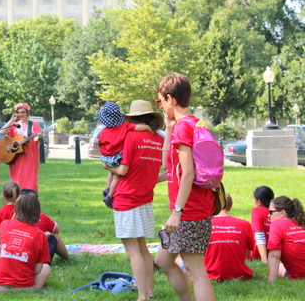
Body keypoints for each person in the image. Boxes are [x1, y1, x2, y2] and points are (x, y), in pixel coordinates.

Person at [153, 73, 216, 301]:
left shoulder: (185, 128)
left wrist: (177, 212)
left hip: (189, 211)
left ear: (171, 98)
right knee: (162, 261)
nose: (160, 106)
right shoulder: (191, 124)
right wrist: (169, 128)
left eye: (160, 101)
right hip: (193, 207)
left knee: (196, 271)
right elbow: (170, 167)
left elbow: (188, 172)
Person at [102, 99, 163, 301]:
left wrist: (107, 167)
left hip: (126, 198)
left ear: (132, 118)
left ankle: (142, 296)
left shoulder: (130, 135)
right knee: (143, 248)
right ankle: (150, 291)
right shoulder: (159, 139)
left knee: (132, 251)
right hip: (146, 197)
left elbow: (123, 169)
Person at [0, 193, 51, 292]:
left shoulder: (4, 224)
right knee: (46, 267)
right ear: (37, 211)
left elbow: (11, 223)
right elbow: (37, 270)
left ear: (16, 209)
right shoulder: (40, 235)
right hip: (25, 288)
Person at [0, 181, 70, 263]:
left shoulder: (6, 225)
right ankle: (68, 259)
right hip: (33, 260)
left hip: (14, 258)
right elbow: (57, 230)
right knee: (53, 236)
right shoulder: (41, 220)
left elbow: (4, 229)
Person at [97, 101, 152, 208]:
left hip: (106, 157)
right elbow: (138, 127)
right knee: (117, 176)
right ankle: (110, 195)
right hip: (117, 156)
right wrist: (148, 128)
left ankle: (107, 187)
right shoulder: (125, 126)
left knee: (110, 174)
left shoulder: (103, 131)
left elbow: (101, 143)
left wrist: (104, 155)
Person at [203, 193, 254, 280]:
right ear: (230, 207)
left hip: (210, 274)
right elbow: (247, 253)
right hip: (240, 274)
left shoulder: (204, 224)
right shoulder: (244, 224)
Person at [0, 102, 42, 193]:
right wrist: (11, 120)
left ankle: (30, 195)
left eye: (23, 112)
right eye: (19, 112)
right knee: (17, 178)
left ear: (27, 112)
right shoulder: (14, 125)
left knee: (30, 177)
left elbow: (36, 139)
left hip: (30, 156)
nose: (21, 114)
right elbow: (1, 132)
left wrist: (39, 136)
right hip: (16, 156)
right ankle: (16, 193)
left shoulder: (34, 125)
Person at [267, 196, 305, 281]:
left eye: (271, 212)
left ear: (282, 213)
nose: (268, 215)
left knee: (278, 264)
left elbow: (274, 256)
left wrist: (270, 282)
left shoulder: (277, 224)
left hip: (300, 275)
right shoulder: (301, 222)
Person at [249, 185, 275, 262]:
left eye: (254, 200)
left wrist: (265, 261)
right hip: (276, 250)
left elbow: (259, 236)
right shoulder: (278, 211)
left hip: (260, 251)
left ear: (259, 202)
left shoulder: (257, 211)